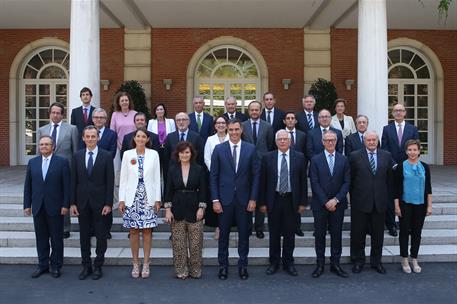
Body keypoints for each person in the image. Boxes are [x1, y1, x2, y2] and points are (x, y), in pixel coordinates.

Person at [210, 119, 260, 280]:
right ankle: (223, 266)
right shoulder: (219, 149)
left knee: (244, 236)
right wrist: (215, 200)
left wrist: (253, 199)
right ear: (227, 130)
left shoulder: (251, 149)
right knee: (223, 236)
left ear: (241, 130)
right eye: (230, 129)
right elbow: (214, 177)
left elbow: (256, 176)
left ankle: (243, 266)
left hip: (244, 201)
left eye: (236, 129)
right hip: (224, 200)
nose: (233, 132)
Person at [259, 130, 307, 276]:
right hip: (274, 199)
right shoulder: (268, 157)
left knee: (289, 234)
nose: (282, 141)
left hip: (291, 200)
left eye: (285, 139)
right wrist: (262, 202)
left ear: (290, 141)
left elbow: (303, 181)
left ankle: (288, 262)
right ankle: (274, 262)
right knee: (273, 234)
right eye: (279, 139)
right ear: (275, 141)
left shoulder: (299, 157)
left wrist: (303, 202)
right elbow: (263, 182)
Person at [70, 126, 114, 280]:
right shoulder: (77, 156)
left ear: (98, 138)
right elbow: (73, 181)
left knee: (101, 236)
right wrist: (72, 203)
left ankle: (98, 265)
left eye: (93, 136)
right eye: (87, 136)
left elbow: (110, 182)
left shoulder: (106, 156)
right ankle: (86, 265)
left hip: (100, 204)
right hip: (82, 203)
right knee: (84, 236)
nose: (90, 139)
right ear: (83, 138)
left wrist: (108, 203)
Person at [23, 135, 70, 278]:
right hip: (38, 206)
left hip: (55, 207)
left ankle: (55, 266)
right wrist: (27, 205)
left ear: (53, 146)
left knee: (56, 239)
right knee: (41, 238)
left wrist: (65, 204)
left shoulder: (62, 162)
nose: (44, 147)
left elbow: (66, 186)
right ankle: (42, 265)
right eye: (41, 144)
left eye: (47, 144)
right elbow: (28, 186)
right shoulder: (33, 162)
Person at [118, 128, 161, 278]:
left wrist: (158, 198)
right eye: (138, 136)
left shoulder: (154, 154)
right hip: (132, 198)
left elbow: (157, 178)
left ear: (148, 139)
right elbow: (123, 179)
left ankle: (147, 263)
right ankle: (135, 263)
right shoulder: (127, 154)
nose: (141, 139)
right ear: (134, 138)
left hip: (148, 198)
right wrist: (121, 199)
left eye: (143, 137)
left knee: (148, 231)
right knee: (134, 231)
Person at [349, 131, 393, 275]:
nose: (372, 142)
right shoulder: (355, 156)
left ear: (377, 141)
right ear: (364, 141)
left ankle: (376, 262)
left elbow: (389, 179)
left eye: (374, 140)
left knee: (378, 235)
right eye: (369, 140)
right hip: (360, 202)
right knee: (358, 234)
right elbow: (350, 179)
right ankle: (358, 261)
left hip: (379, 202)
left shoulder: (386, 155)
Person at [309, 130, 350, 278]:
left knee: (336, 236)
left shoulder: (344, 159)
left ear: (337, 141)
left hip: (338, 205)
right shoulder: (315, 160)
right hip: (320, 205)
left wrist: (336, 200)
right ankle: (320, 265)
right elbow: (314, 182)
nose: (330, 142)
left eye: (333, 140)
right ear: (322, 142)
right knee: (319, 236)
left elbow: (347, 182)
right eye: (327, 140)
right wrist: (326, 201)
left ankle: (335, 264)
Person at [164, 142, 207, 279]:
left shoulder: (199, 169)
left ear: (191, 154)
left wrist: (201, 208)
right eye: (182, 152)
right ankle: (181, 270)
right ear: (178, 154)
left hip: (195, 209)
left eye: (187, 152)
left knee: (195, 244)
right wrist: (168, 210)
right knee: (178, 244)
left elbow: (203, 191)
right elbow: (168, 190)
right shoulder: (172, 169)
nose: (184, 155)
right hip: (177, 209)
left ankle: (195, 270)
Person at [37, 102, 78, 239]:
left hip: (65, 169)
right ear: (50, 114)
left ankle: (65, 227)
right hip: (46, 170)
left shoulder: (72, 129)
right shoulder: (42, 130)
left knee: (64, 198)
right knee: (49, 198)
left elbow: (76, 152)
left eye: (58, 113)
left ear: (62, 114)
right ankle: (49, 226)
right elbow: (39, 153)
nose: (55, 115)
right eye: (53, 112)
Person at [394, 139, 432, 274]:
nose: (412, 152)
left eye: (415, 149)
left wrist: (429, 206)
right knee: (404, 232)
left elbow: (428, 188)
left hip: (421, 205)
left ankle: (414, 258)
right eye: (409, 150)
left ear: (419, 151)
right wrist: (397, 206)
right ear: (406, 151)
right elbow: (396, 189)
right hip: (405, 204)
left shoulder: (425, 167)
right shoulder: (400, 166)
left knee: (417, 233)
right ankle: (404, 259)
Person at [382, 103, 419, 237]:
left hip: (408, 168)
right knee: (391, 197)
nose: (398, 113)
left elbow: (415, 148)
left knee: (407, 196)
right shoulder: (386, 129)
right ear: (392, 113)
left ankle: (407, 225)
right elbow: (384, 149)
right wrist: (393, 164)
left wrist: (406, 164)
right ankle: (391, 225)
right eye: (396, 111)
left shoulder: (412, 129)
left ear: (405, 113)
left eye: (401, 110)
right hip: (391, 169)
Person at [242, 100, 274, 239]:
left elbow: (270, 144)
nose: (254, 112)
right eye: (252, 110)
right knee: (247, 197)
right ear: (248, 111)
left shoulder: (268, 126)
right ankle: (248, 226)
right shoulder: (242, 126)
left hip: (262, 166)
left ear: (261, 111)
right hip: (245, 166)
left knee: (260, 197)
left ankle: (259, 228)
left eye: (257, 110)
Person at [204, 115, 230, 239]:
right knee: (217, 201)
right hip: (215, 176)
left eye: (223, 123)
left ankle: (228, 226)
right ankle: (218, 227)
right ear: (215, 126)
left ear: (227, 125)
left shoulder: (233, 138)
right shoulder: (210, 139)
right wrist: (215, 171)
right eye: (218, 123)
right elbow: (206, 158)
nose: (221, 125)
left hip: (230, 177)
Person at [283, 111, 307, 237]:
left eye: (293, 118)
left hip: (297, 172)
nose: (291, 120)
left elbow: (305, 152)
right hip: (283, 170)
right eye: (288, 118)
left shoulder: (302, 135)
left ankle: (297, 227)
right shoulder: (279, 134)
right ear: (284, 121)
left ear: (296, 121)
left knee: (296, 201)